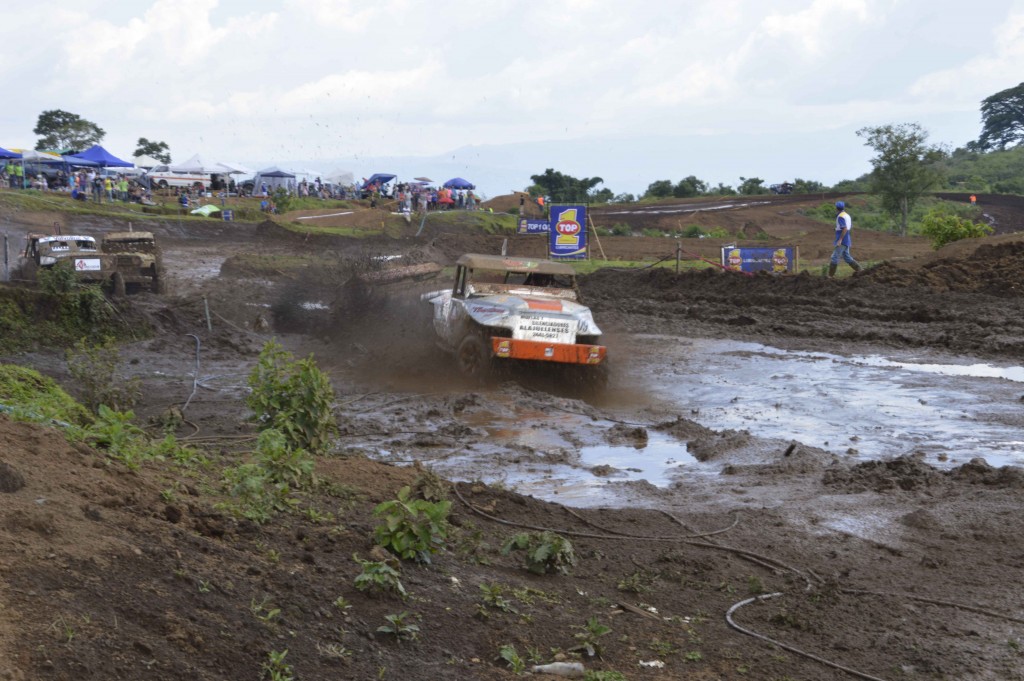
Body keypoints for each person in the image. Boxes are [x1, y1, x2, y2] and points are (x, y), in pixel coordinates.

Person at [829, 200, 861, 277]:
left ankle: (830, 277)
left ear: (836, 208)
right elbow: (848, 226)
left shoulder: (840, 216)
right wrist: (837, 228)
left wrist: (840, 240)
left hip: (842, 240)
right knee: (847, 257)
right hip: (847, 238)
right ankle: (861, 271)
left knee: (834, 257)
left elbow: (845, 228)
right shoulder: (846, 215)